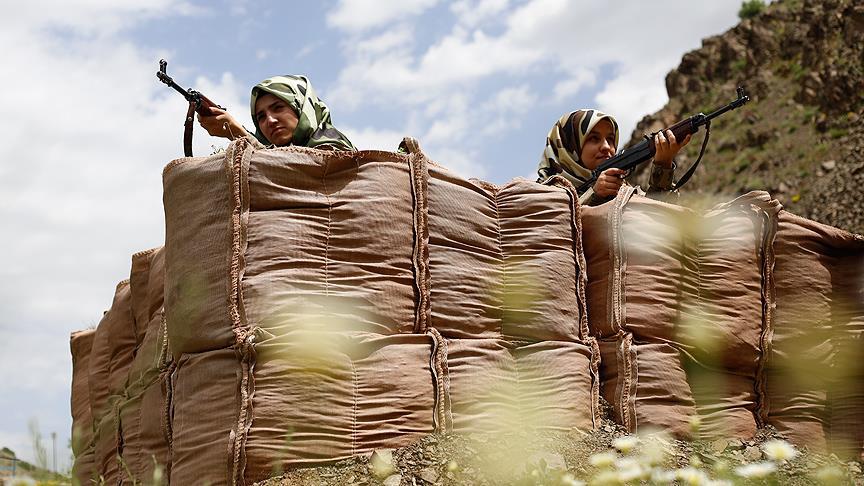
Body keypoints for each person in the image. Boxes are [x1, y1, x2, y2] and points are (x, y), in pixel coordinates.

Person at [537, 109, 690, 206]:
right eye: (593, 139)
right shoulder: (544, 193)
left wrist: (663, 164)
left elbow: (656, 219)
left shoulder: (623, 189)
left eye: (610, 139)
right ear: (569, 147)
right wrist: (594, 195)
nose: (606, 147)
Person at [198, 74, 356, 151]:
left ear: (301, 108)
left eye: (278, 108)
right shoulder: (270, 150)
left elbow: (289, 174)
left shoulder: (331, 143)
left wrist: (238, 134)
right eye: (261, 117)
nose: (270, 120)